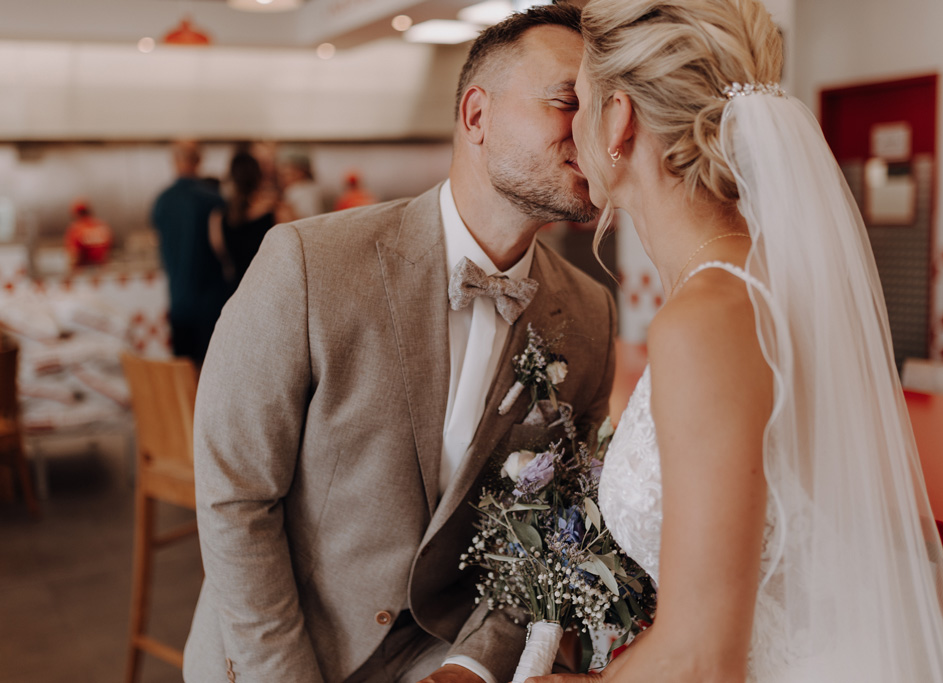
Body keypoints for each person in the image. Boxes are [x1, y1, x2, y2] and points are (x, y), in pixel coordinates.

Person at [531, 0, 943, 682]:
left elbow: (704, 660)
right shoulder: (755, 281)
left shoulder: (705, 319)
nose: (567, 129)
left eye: (577, 101)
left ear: (619, 120)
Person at [183, 5, 617, 683]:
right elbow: (235, 494)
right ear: (476, 116)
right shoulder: (307, 263)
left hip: (442, 654)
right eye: (569, 102)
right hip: (280, 651)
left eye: (604, 108)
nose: (594, 132)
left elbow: (555, 522)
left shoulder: (590, 315)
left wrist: (473, 664)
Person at [151, 140, 232, 366]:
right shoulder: (214, 201)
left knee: (183, 369)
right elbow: (223, 248)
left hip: (178, 299)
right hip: (211, 301)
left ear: (174, 162)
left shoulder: (162, 201)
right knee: (211, 368)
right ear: (199, 161)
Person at [217, 147, 295, 289]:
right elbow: (293, 254)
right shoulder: (278, 210)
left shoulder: (219, 217)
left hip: (236, 291)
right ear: (259, 175)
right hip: (268, 290)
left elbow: (222, 254)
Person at [64, 199, 113, 267]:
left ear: (77, 213)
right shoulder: (102, 226)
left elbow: (74, 254)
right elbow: (108, 248)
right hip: (102, 268)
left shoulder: (76, 229)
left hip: (84, 269)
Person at [279, 152, 325, 219]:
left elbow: (307, 220)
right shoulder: (315, 187)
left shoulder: (297, 190)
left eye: (288, 174)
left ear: (301, 172)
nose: (284, 179)